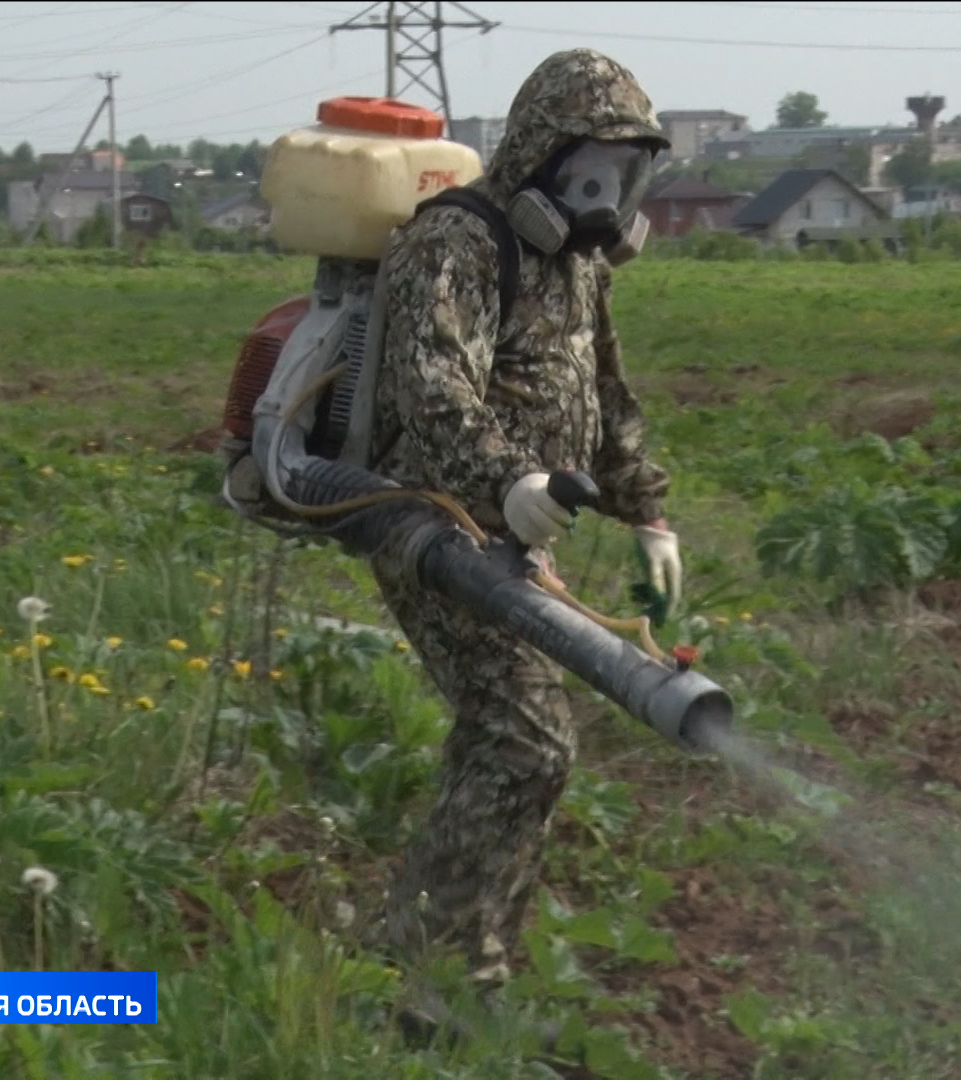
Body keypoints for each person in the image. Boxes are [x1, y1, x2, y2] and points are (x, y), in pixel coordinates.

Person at [365, 48, 685, 1012]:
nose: (605, 193)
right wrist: (509, 482)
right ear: (541, 153)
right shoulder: (455, 242)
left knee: (502, 743)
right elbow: (433, 389)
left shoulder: (580, 263)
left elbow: (604, 391)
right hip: (437, 523)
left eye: (625, 171)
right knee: (528, 741)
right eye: (591, 167)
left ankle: (451, 963)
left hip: (512, 532)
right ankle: (438, 978)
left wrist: (645, 509)